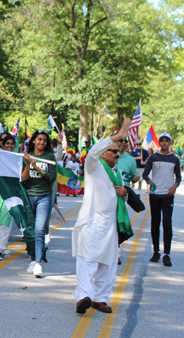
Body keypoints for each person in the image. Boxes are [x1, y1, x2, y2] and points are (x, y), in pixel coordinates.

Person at [72, 118, 131, 314]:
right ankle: (83, 296)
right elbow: (92, 151)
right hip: (92, 221)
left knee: (109, 262)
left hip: (112, 223)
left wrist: (126, 193)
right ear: (104, 152)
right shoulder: (93, 166)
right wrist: (116, 136)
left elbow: (120, 193)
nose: (117, 154)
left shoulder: (118, 171)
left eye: (118, 151)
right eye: (113, 150)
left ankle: (100, 298)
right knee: (87, 259)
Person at [143, 132, 181, 267]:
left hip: (167, 195)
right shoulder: (153, 157)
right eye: (162, 140)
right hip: (155, 195)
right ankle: (156, 251)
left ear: (170, 142)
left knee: (167, 223)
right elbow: (145, 173)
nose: (164, 142)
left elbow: (178, 176)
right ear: (159, 142)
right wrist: (149, 182)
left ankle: (167, 254)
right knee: (155, 223)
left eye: (167, 140)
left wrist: (175, 186)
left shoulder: (174, 159)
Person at [22, 130, 57, 278]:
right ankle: (33, 257)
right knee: (30, 230)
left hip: (44, 197)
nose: (41, 142)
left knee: (39, 229)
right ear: (34, 141)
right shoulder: (28, 156)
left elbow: (51, 178)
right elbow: (24, 179)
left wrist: (36, 167)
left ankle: (38, 263)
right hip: (29, 196)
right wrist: (28, 164)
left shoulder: (50, 157)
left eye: (44, 140)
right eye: (39, 140)